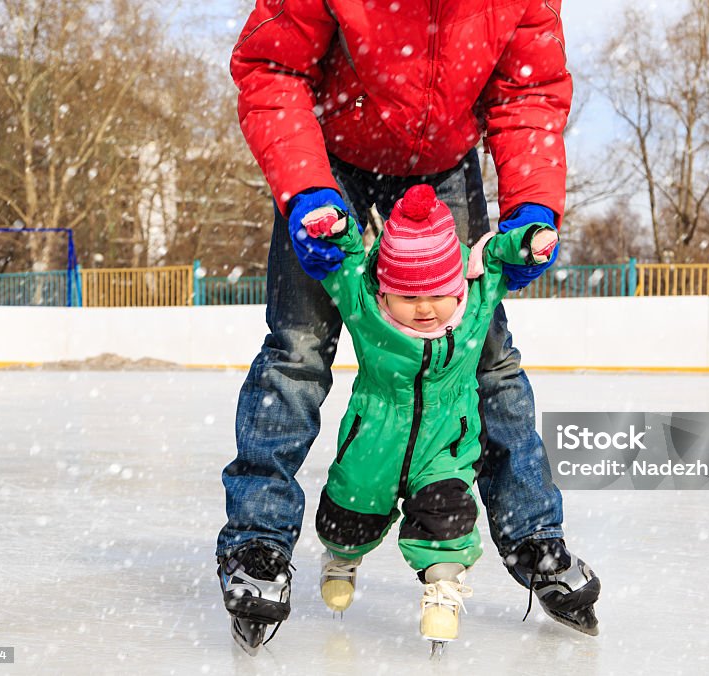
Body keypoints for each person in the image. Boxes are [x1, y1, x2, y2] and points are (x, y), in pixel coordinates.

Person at [217, 0, 601, 653]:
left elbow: (528, 91)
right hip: (329, 158)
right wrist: (306, 188)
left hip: (442, 165)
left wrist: (532, 204)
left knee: (484, 353)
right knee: (298, 346)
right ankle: (258, 544)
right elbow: (272, 68)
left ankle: (533, 532)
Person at [308, 184, 558, 647]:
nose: (424, 308)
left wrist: (529, 240)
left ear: (458, 285)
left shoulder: (476, 303)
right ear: (385, 291)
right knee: (351, 507)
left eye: (438, 294)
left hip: (446, 440)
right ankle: (342, 558)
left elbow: (499, 257)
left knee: (448, 512)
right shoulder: (366, 307)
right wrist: (337, 226)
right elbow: (344, 263)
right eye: (407, 297)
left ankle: (442, 589)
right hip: (374, 438)